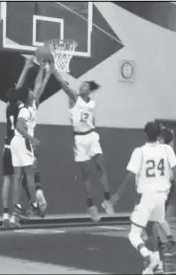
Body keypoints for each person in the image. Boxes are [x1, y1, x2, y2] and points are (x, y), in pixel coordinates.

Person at [110, 122, 176, 274]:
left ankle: (148, 255)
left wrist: (116, 197)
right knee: (152, 229)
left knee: (133, 234)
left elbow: (130, 177)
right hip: (162, 197)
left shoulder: (140, 151)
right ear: (159, 134)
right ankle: (158, 263)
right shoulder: (167, 149)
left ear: (145, 134)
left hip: (146, 196)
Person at [52, 66, 114, 222]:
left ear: (89, 90)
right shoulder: (74, 97)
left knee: (101, 166)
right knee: (86, 174)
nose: (81, 87)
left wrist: (95, 133)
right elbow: (61, 81)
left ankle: (107, 200)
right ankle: (91, 206)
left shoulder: (92, 103)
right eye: (81, 85)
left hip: (91, 136)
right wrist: (52, 67)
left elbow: (92, 120)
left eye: (85, 86)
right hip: (79, 139)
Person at [9, 60, 52, 227]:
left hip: (16, 142)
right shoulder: (27, 110)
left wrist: (43, 70)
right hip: (25, 142)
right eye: (31, 93)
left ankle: (17, 210)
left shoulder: (21, 106)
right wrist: (32, 139)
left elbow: (38, 86)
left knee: (18, 178)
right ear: (28, 98)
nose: (34, 93)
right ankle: (35, 204)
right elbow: (38, 88)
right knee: (29, 176)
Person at [2, 57, 34, 227]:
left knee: (7, 181)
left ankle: (5, 216)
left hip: (6, 146)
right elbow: (19, 88)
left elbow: (16, 89)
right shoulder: (22, 109)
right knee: (17, 179)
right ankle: (15, 217)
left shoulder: (8, 108)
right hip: (17, 146)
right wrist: (27, 68)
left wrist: (25, 68)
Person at [157, 127, 176, 256]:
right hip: (161, 187)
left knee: (158, 216)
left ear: (162, 139)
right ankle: (161, 243)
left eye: (159, 137)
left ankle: (171, 243)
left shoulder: (167, 151)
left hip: (164, 187)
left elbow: (174, 174)